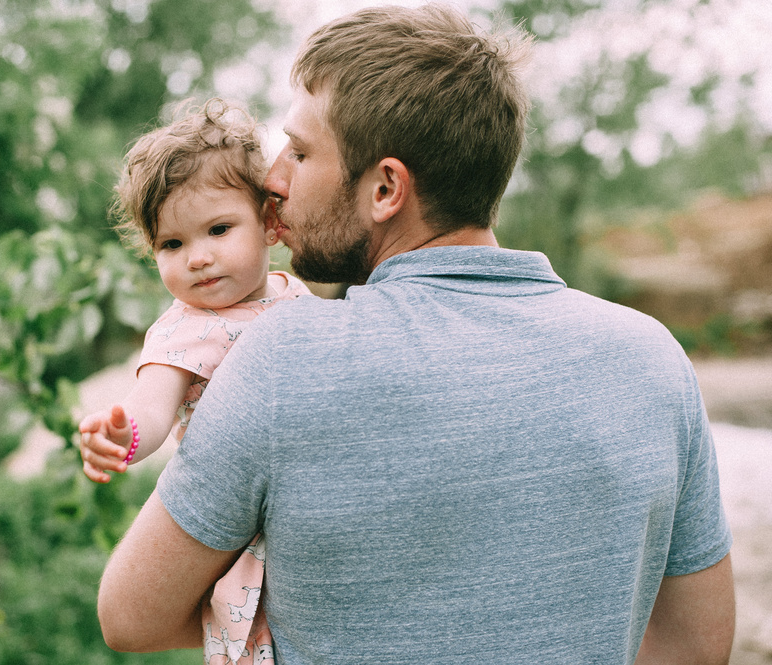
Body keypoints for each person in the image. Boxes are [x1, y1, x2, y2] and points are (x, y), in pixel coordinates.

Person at [94, 4, 736, 664]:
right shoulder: (653, 357)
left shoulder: (286, 356)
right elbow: (696, 644)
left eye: (302, 151)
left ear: (385, 189)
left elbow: (131, 615)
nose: (274, 178)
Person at [78, 98, 310, 664]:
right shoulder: (183, 333)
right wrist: (121, 434)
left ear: (269, 224)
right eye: (172, 244)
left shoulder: (295, 296)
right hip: (242, 526)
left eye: (218, 229)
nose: (199, 258)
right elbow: (152, 406)